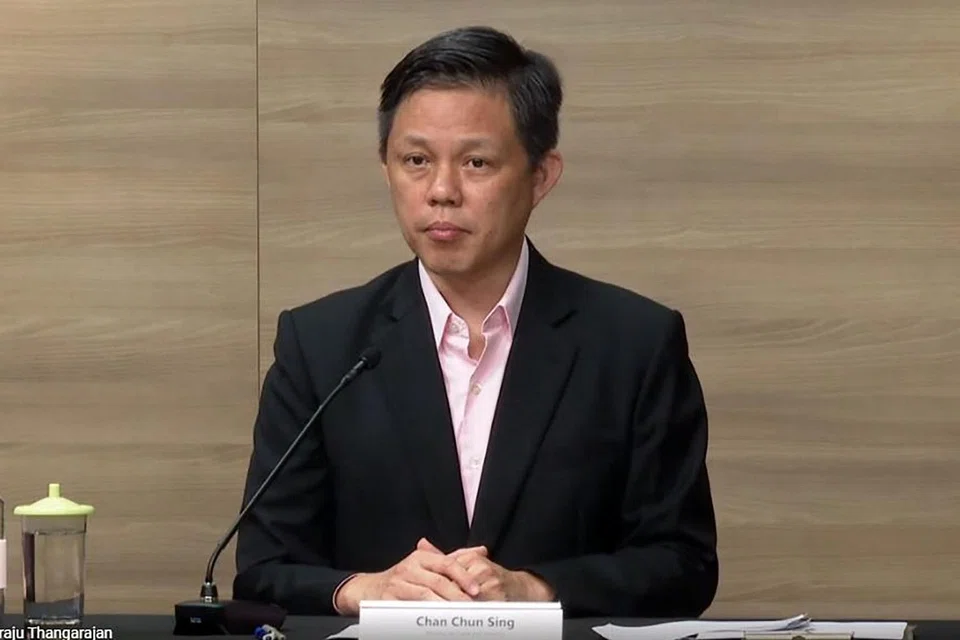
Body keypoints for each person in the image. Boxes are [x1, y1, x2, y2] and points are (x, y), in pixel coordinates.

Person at [232, 25, 718, 619]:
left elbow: (683, 565)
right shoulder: (322, 346)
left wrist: (534, 591)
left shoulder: (633, 344)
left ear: (541, 176)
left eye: (476, 162)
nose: (442, 191)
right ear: (386, 168)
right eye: (416, 161)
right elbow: (264, 569)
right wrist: (368, 590)